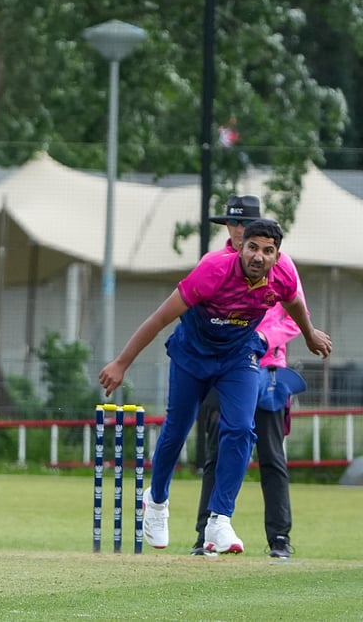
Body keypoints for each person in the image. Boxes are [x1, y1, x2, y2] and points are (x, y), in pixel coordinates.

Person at [98, 219, 331, 555]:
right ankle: (157, 500)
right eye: (252, 248)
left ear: (277, 256)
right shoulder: (213, 270)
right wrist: (121, 363)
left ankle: (219, 518)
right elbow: (160, 318)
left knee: (239, 428)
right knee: (177, 431)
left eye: (268, 251)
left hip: (238, 356)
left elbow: (294, 302)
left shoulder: (283, 275)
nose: (258, 257)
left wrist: (309, 335)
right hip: (192, 355)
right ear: (241, 248)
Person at [190, 195, 309, 558]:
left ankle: (280, 539)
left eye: (244, 225)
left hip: (267, 371)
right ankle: (205, 535)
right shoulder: (215, 263)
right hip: (221, 369)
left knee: (271, 457)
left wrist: (261, 338)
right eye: (233, 224)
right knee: (215, 454)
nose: (238, 231)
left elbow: (294, 315)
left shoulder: (281, 263)